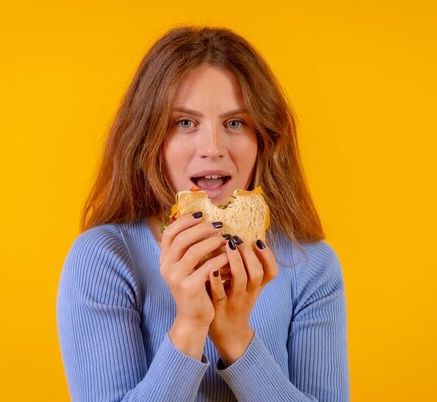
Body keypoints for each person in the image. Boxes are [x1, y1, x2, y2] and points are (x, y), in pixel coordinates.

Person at [56, 25, 350, 402]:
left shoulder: (312, 266)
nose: (212, 147)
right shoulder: (105, 259)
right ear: (148, 139)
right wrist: (191, 326)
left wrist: (236, 339)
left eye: (235, 123)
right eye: (184, 123)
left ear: (263, 139)